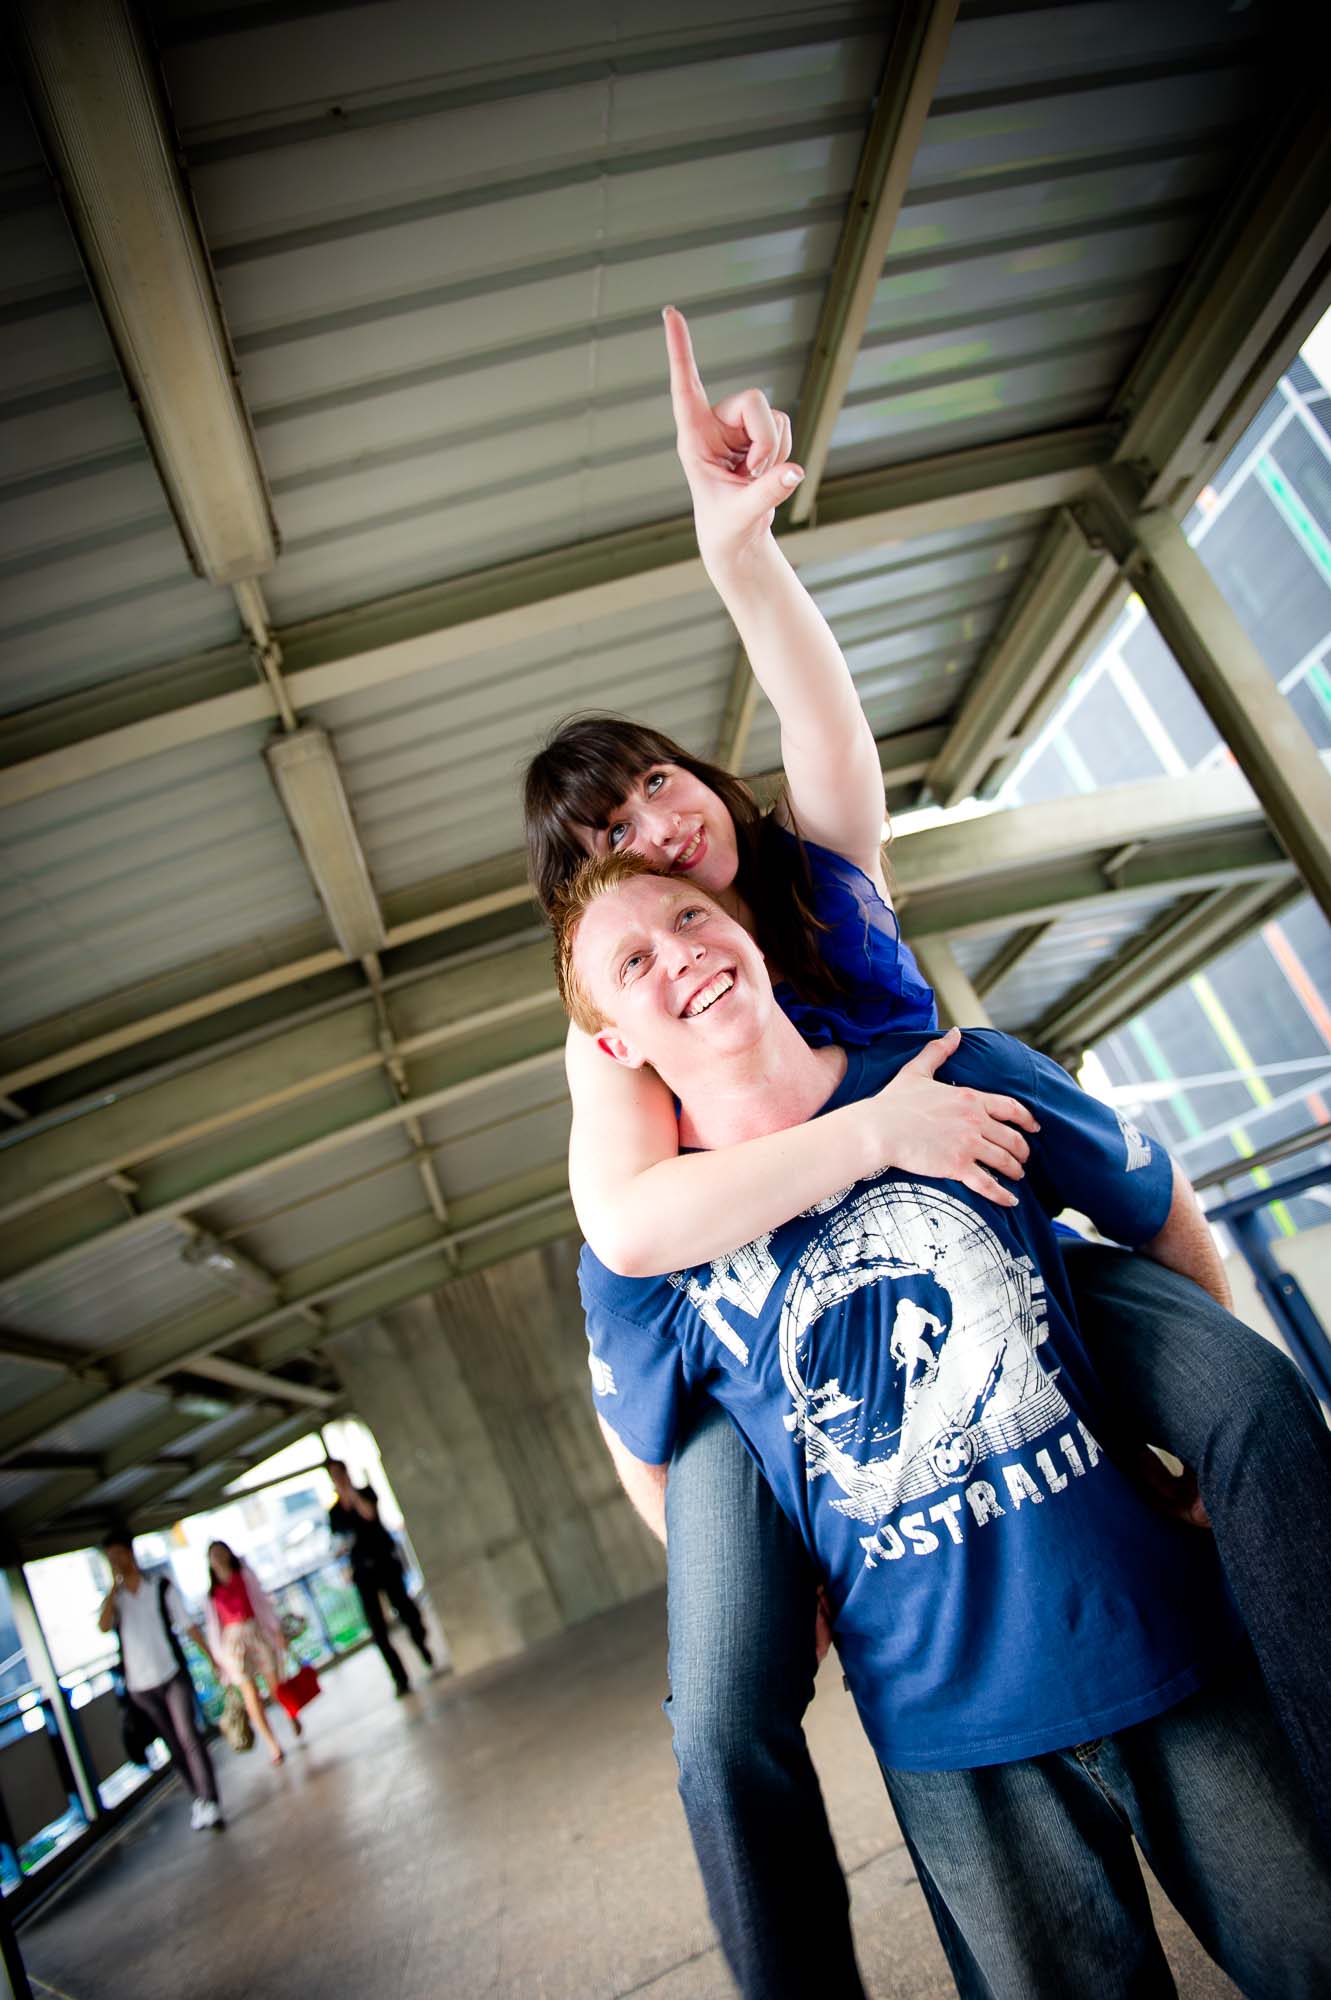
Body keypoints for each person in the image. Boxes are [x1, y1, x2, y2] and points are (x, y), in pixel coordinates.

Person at [521, 309, 1331, 1995]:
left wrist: (741, 556)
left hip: (993, 1203)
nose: (660, 845)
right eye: (614, 858)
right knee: (719, 1703)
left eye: (659, 793)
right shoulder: (616, 1047)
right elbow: (630, 1236)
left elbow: (821, 718)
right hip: (771, 1300)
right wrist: (864, 1138)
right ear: (604, 1010)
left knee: (1254, 1405)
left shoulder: (812, 879)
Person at [556, 856, 1331, 1997]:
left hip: (1169, 1649)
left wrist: (1195, 1419)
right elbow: (644, 1449)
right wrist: (775, 1597)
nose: (681, 952)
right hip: (947, 1740)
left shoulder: (958, 1073)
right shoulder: (645, 1257)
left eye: (690, 914)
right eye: (633, 961)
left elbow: (1154, 1199)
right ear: (614, 1044)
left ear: (748, 934)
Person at [97, 1533, 224, 1832]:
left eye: (119, 1555)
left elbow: (188, 1625)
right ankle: (198, 1798)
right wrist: (113, 1589)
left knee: (189, 1735)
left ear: (130, 1553)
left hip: (171, 1674)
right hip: (141, 1686)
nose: (116, 1562)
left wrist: (211, 1658)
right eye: (111, 1559)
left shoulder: (159, 1586)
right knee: (173, 1746)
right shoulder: (117, 1600)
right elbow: (103, 1626)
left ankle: (210, 1799)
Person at [326, 1460, 434, 1696]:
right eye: (334, 1476)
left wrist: (352, 1496)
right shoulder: (334, 1513)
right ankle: (400, 1678)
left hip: (384, 1562)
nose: (339, 1479)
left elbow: (369, 1514)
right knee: (377, 1629)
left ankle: (421, 1643)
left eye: (341, 1474)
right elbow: (337, 1545)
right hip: (362, 1572)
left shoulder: (365, 1492)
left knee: (406, 1610)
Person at [204, 1541, 301, 1765]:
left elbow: (263, 1604)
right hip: (234, 1645)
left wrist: (276, 1630)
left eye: (221, 1553)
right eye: (214, 1555)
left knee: (275, 1687)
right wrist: (218, 1659)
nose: (218, 1558)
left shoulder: (244, 1576)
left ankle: (291, 1715)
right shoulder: (212, 1594)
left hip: (256, 1633)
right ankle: (272, 1744)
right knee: (250, 1695)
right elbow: (213, 1628)